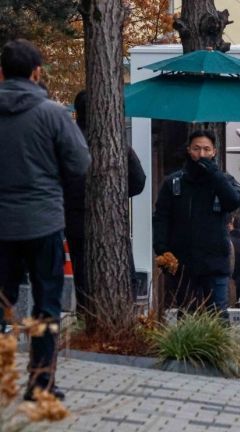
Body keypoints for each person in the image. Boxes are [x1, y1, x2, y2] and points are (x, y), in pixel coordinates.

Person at [0, 39, 90, 401]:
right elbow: (80, 163)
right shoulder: (52, 114)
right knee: (46, 304)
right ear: (37, 72)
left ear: (2, 71)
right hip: (44, 222)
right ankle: (40, 383)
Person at [64, 89, 146, 317]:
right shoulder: (116, 143)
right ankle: (119, 318)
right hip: (112, 219)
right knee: (118, 272)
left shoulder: (66, 145)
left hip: (75, 220)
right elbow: (139, 181)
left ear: (77, 113)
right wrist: (116, 195)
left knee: (83, 277)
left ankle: (86, 319)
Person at [153, 130, 240, 315]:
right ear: (188, 150)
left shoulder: (223, 180)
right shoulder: (174, 183)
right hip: (183, 263)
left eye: (206, 149)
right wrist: (162, 249)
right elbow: (161, 217)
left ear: (214, 152)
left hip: (215, 261)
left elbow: (233, 201)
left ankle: (217, 345)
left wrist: (215, 175)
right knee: (187, 315)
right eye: (196, 149)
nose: (201, 155)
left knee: (218, 315)